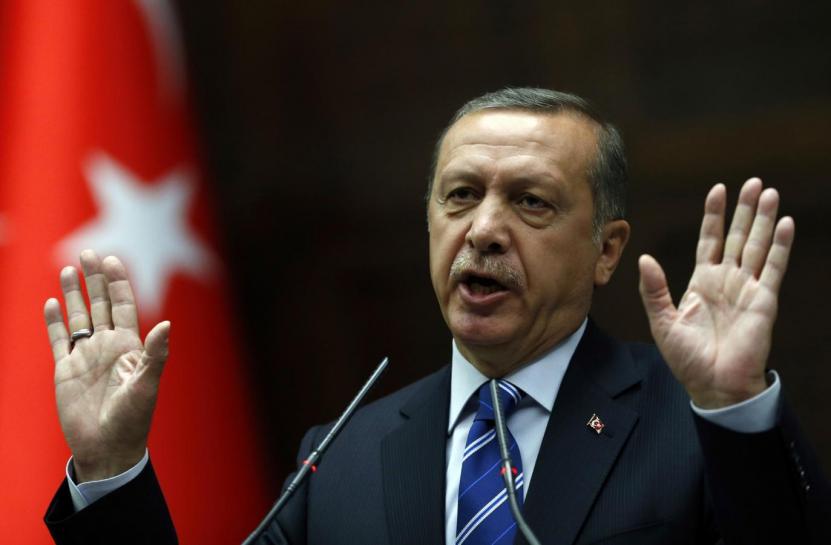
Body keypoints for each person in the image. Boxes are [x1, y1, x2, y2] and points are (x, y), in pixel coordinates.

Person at [43, 88, 830, 544]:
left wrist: (733, 407)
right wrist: (112, 470)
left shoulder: (692, 426)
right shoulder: (341, 456)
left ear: (605, 248)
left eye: (530, 201)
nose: (483, 229)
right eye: (460, 195)